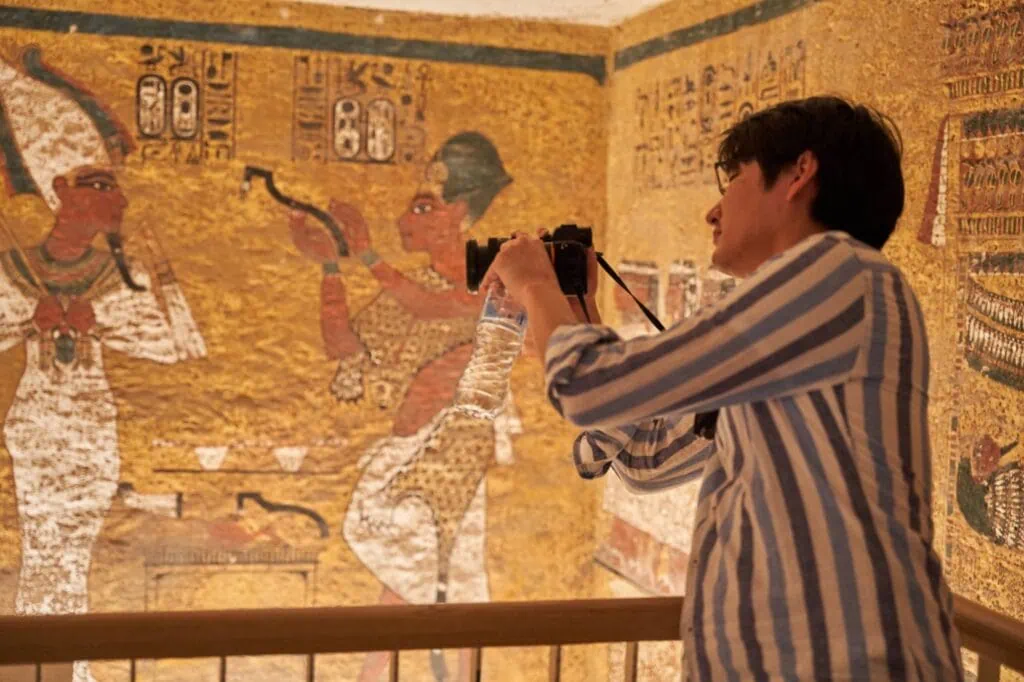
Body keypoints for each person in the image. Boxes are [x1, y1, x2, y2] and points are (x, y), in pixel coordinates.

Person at [482, 96, 964, 681]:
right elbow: (644, 458)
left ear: (799, 173)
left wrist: (534, 283)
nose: (713, 212)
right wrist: (574, 311)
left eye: (732, 178)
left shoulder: (843, 275)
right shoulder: (788, 338)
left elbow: (585, 388)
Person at [0, 47, 205, 682]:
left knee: (77, 551)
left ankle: (71, 666)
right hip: (37, 429)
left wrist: (116, 306)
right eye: (99, 184)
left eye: (114, 185)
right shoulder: (17, 268)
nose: (115, 198)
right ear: (59, 191)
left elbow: (179, 345)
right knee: (43, 552)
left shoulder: (124, 273)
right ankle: (43, 667)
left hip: (92, 430)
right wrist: (37, 317)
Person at [289, 131, 521, 682]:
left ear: (459, 211)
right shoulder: (406, 286)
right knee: (420, 570)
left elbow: (437, 308)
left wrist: (365, 252)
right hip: (415, 445)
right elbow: (344, 345)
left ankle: (391, 673)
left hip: (456, 448)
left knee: (435, 571)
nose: (406, 217)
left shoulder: (491, 277)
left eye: (424, 206)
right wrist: (328, 266)